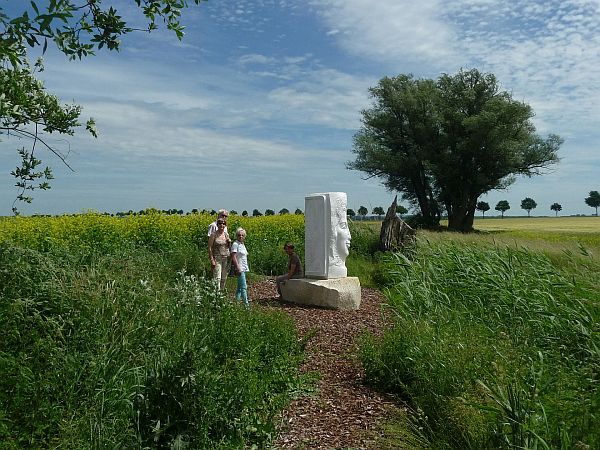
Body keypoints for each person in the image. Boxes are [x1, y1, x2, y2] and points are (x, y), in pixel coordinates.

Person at [208, 217, 231, 290]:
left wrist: (229, 242)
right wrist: (212, 260)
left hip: (225, 258)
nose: (222, 225)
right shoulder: (213, 235)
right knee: (217, 278)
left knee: (224, 277)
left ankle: (221, 293)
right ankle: (216, 295)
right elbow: (210, 247)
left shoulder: (226, 234)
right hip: (217, 258)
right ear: (217, 225)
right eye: (220, 223)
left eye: (223, 224)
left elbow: (228, 247)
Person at [230, 227, 250, 307]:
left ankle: (236, 303)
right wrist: (237, 268)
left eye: (242, 235)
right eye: (239, 235)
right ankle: (246, 306)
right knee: (244, 287)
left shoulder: (242, 244)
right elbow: (233, 257)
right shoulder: (235, 244)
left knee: (239, 287)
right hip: (239, 268)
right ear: (236, 236)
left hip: (244, 268)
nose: (240, 237)